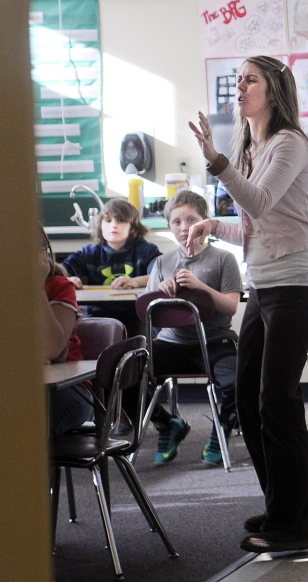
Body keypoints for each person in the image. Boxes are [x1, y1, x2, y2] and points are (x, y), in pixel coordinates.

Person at [187, 55, 308, 554]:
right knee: (249, 400)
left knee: (277, 402)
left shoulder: (289, 143)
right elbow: (253, 224)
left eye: (251, 80)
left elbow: (261, 202)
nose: (240, 87)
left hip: (298, 284)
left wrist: (213, 159)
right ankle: (280, 509)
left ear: (274, 92)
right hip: (265, 285)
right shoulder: (253, 146)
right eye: (240, 80)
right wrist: (213, 228)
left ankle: (295, 527)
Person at [132, 190, 243, 467]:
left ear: (205, 222)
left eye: (191, 220)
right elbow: (148, 312)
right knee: (126, 375)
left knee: (238, 380)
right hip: (172, 343)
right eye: (176, 222)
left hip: (215, 340)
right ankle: (167, 424)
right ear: (168, 226)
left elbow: (231, 306)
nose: (184, 228)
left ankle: (221, 430)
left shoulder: (223, 259)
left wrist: (201, 287)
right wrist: (159, 293)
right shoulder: (161, 263)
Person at [61, 198, 161, 336]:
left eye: (120, 221)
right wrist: (68, 279)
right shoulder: (89, 253)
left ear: (132, 226)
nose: (113, 225)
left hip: (135, 319)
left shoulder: (146, 251)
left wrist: (136, 281)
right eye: (108, 221)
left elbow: (160, 274)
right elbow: (60, 271)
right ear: (100, 224)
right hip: (98, 319)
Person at [39, 224, 92, 437]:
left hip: (69, 388)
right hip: (19, 386)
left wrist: (36, 286)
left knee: (29, 430)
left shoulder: (58, 286)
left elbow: (51, 349)